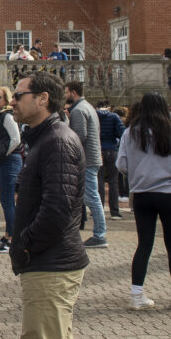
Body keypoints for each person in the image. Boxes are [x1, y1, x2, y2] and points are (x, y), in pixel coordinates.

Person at [7, 72, 94, 339]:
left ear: (43, 99)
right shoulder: (44, 138)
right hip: (50, 260)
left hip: (51, 263)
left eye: (18, 95)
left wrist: (25, 243)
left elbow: (57, 210)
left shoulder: (57, 140)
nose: (12, 101)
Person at [116, 92, 171, 311]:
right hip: (169, 192)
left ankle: (137, 294)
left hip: (142, 193)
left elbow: (122, 164)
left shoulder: (131, 133)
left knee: (144, 245)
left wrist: (139, 172)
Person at [64, 81, 107, 249]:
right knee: (86, 196)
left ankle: (100, 234)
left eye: (66, 92)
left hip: (87, 159)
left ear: (73, 92)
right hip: (92, 157)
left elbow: (79, 137)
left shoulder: (79, 111)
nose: (65, 95)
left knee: (91, 197)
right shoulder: (87, 107)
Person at [0, 86, 22, 253]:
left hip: (10, 160)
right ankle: (8, 235)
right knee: (5, 199)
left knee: (8, 201)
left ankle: (12, 238)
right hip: (4, 160)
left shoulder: (8, 116)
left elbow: (16, 139)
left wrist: (4, 153)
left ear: (6, 100)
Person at [96, 101, 125, 220]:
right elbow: (122, 132)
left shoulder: (94, 116)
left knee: (99, 181)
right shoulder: (114, 117)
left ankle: (99, 209)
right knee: (113, 181)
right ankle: (114, 211)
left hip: (99, 149)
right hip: (112, 149)